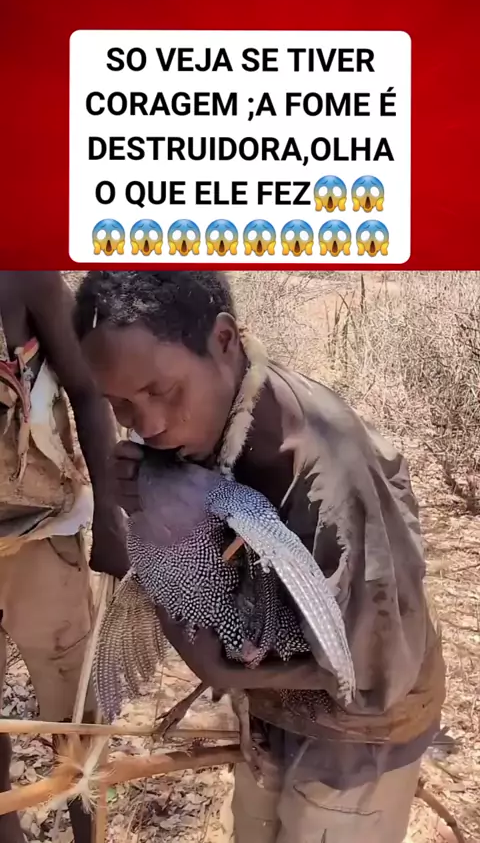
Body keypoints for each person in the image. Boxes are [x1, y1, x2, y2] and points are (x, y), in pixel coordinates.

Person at [75, 269, 445, 843]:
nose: (147, 425)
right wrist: (150, 504)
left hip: (358, 742)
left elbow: (373, 675)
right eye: (119, 404)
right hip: (272, 714)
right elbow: (198, 572)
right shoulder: (200, 427)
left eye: (161, 391)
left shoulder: (336, 482)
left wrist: (223, 671)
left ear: (223, 340)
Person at [0, 271, 129, 843]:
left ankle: (88, 834)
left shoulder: (21, 273)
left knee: (75, 723)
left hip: (39, 534)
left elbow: (87, 389)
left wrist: (110, 516)